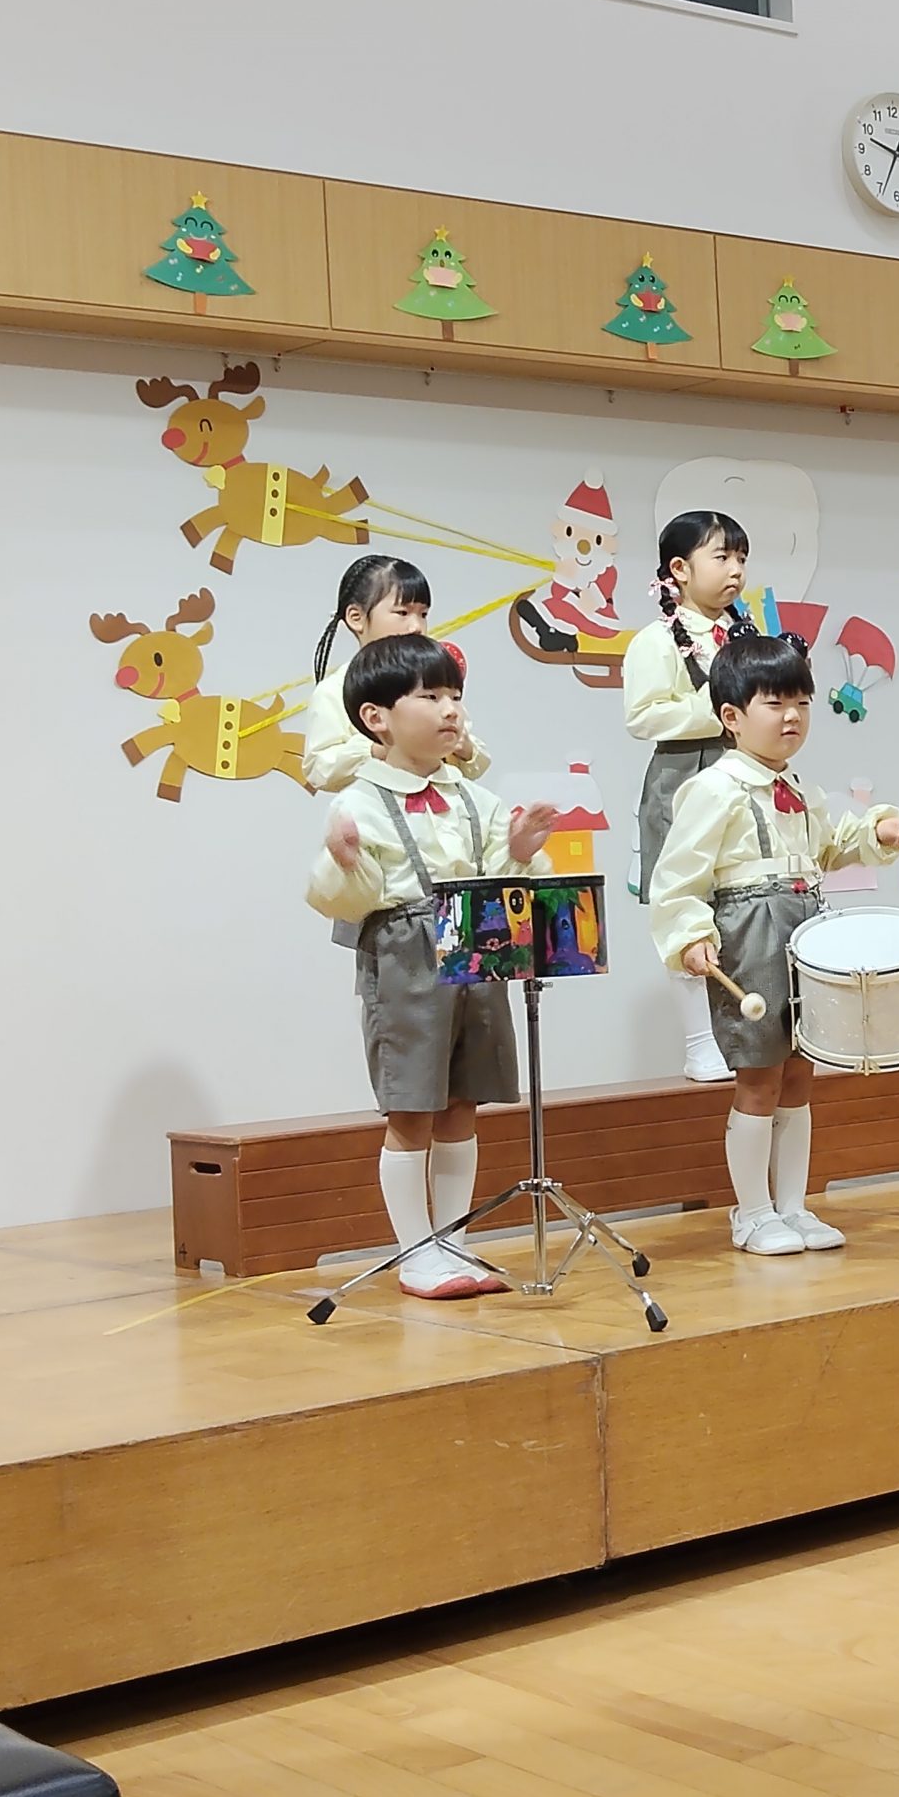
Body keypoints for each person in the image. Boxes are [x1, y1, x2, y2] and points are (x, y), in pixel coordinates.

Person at [307, 635, 558, 1298]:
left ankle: (454, 1243)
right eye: (430, 696)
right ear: (377, 718)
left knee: (463, 1103)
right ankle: (415, 1252)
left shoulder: (476, 798)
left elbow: (508, 879)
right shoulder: (359, 801)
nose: (451, 709)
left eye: (455, 696)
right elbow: (344, 902)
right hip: (406, 957)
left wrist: (521, 851)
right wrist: (344, 861)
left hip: (475, 948)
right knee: (412, 1107)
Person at [651, 634, 899, 1255]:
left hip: (806, 928)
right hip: (750, 932)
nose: (792, 716)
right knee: (760, 1076)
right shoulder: (714, 788)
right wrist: (690, 935)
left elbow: (830, 848)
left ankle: (794, 1206)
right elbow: (678, 876)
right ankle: (752, 1212)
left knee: (799, 1074)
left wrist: (878, 831)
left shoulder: (799, 789)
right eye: (774, 703)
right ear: (732, 716)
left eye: (802, 702)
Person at [626, 509, 758, 1082]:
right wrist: (722, 709)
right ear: (679, 569)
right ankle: (700, 1042)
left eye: (741, 558)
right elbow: (644, 717)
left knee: (744, 905)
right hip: (684, 778)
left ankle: (744, 1035)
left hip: (746, 776)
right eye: (721, 556)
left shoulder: (748, 636)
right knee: (685, 908)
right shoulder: (656, 640)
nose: (735, 570)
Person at [304, 556, 490, 793]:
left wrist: (463, 746)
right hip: (379, 810)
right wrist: (383, 747)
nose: (416, 627)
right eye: (402, 612)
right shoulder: (334, 690)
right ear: (356, 617)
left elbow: (475, 761)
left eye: (423, 614)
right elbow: (319, 769)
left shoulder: (432, 679)